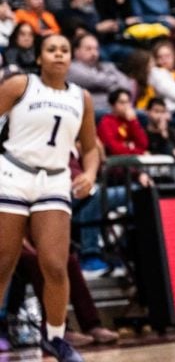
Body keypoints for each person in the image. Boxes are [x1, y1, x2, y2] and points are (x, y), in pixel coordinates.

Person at [0, 33, 100, 362]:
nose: (58, 55)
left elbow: (90, 148)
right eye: (51, 49)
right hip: (13, 174)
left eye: (64, 50)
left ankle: (55, 339)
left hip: (54, 180)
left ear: (71, 58)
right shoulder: (20, 85)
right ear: (40, 57)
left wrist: (89, 174)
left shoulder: (81, 97)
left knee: (56, 266)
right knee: (3, 262)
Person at [67, 34, 135, 102]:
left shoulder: (107, 66)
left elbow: (126, 84)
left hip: (114, 108)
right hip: (94, 109)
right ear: (76, 51)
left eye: (96, 49)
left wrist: (112, 86)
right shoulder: (71, 68)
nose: (94, 53)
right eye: (88, 49)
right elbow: (96, 81)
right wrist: (115, 83)